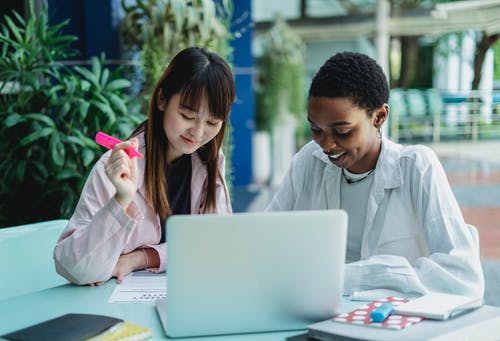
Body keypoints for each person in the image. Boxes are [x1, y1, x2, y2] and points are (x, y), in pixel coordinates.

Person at [266, 51, 484, 300]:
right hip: (318, 310)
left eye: (342, 131)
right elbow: (267, 241)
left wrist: (363, 275)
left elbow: (463, 276)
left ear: (379, 116)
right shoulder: (309, 162)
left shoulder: (416, 167)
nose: (326, 144)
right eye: (316, 129)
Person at [54, 47, 236, 286]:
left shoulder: (209, 159)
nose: (199, 133)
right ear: (162, 99)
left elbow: (217, 245)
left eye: (212, 122)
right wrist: (121, 200)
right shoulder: (118, 166)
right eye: (187, 116)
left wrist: (141, 258)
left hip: (187, 295)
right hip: (117, 305)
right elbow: (75, 268)